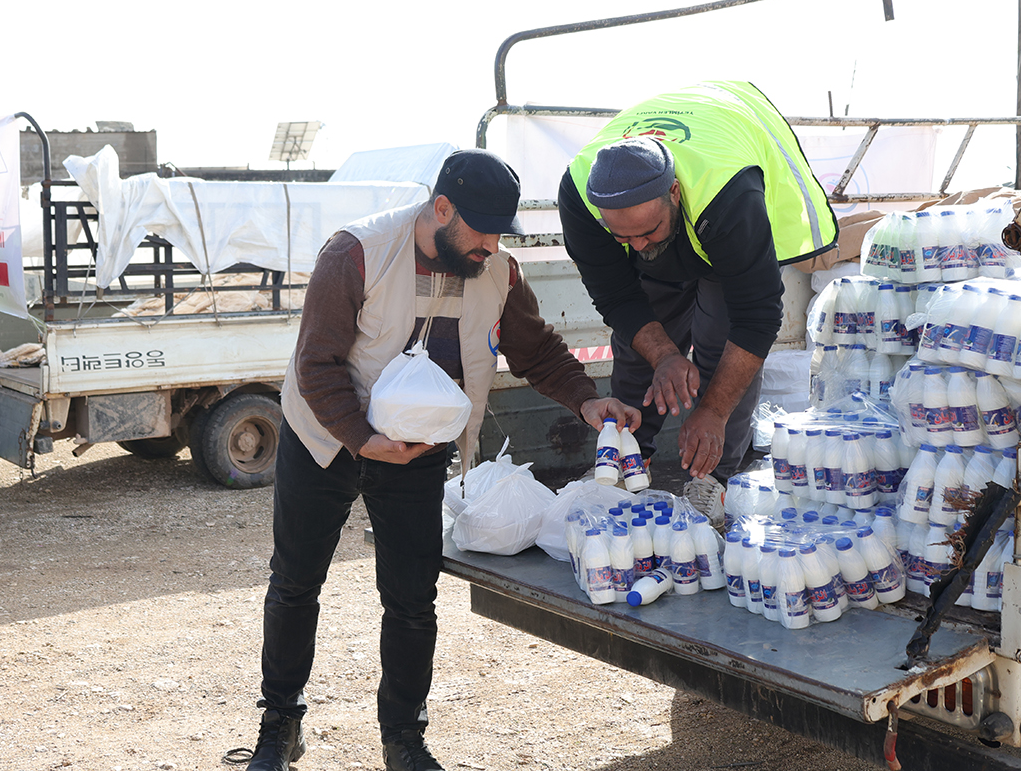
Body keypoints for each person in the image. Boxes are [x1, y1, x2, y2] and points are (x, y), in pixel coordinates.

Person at [244, 150, 639, 771]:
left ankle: (403, 738)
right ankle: (279, 727)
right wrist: (361, 438)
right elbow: (315, 363)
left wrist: (588, 401)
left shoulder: (498, 271)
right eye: (480, 228)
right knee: (296, 583)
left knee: (411, 597)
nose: (489, 243)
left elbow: (537, 351)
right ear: (442, 207)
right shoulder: (356, 253)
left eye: (499, 231)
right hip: (325, 432)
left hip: (420, 447)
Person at [558, 80, 838, 515]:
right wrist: (665, 356)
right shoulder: (580, 195)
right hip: (684, 206)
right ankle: (630, 457)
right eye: (621, 236)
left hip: (726, 165)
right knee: (641, 348)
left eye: (646, 231)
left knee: (720, 341)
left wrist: (712, 411)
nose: (635, 245)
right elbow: (616, 295)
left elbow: (757, 318)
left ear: (673, 193)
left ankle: (713, 478)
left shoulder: (728, 195)